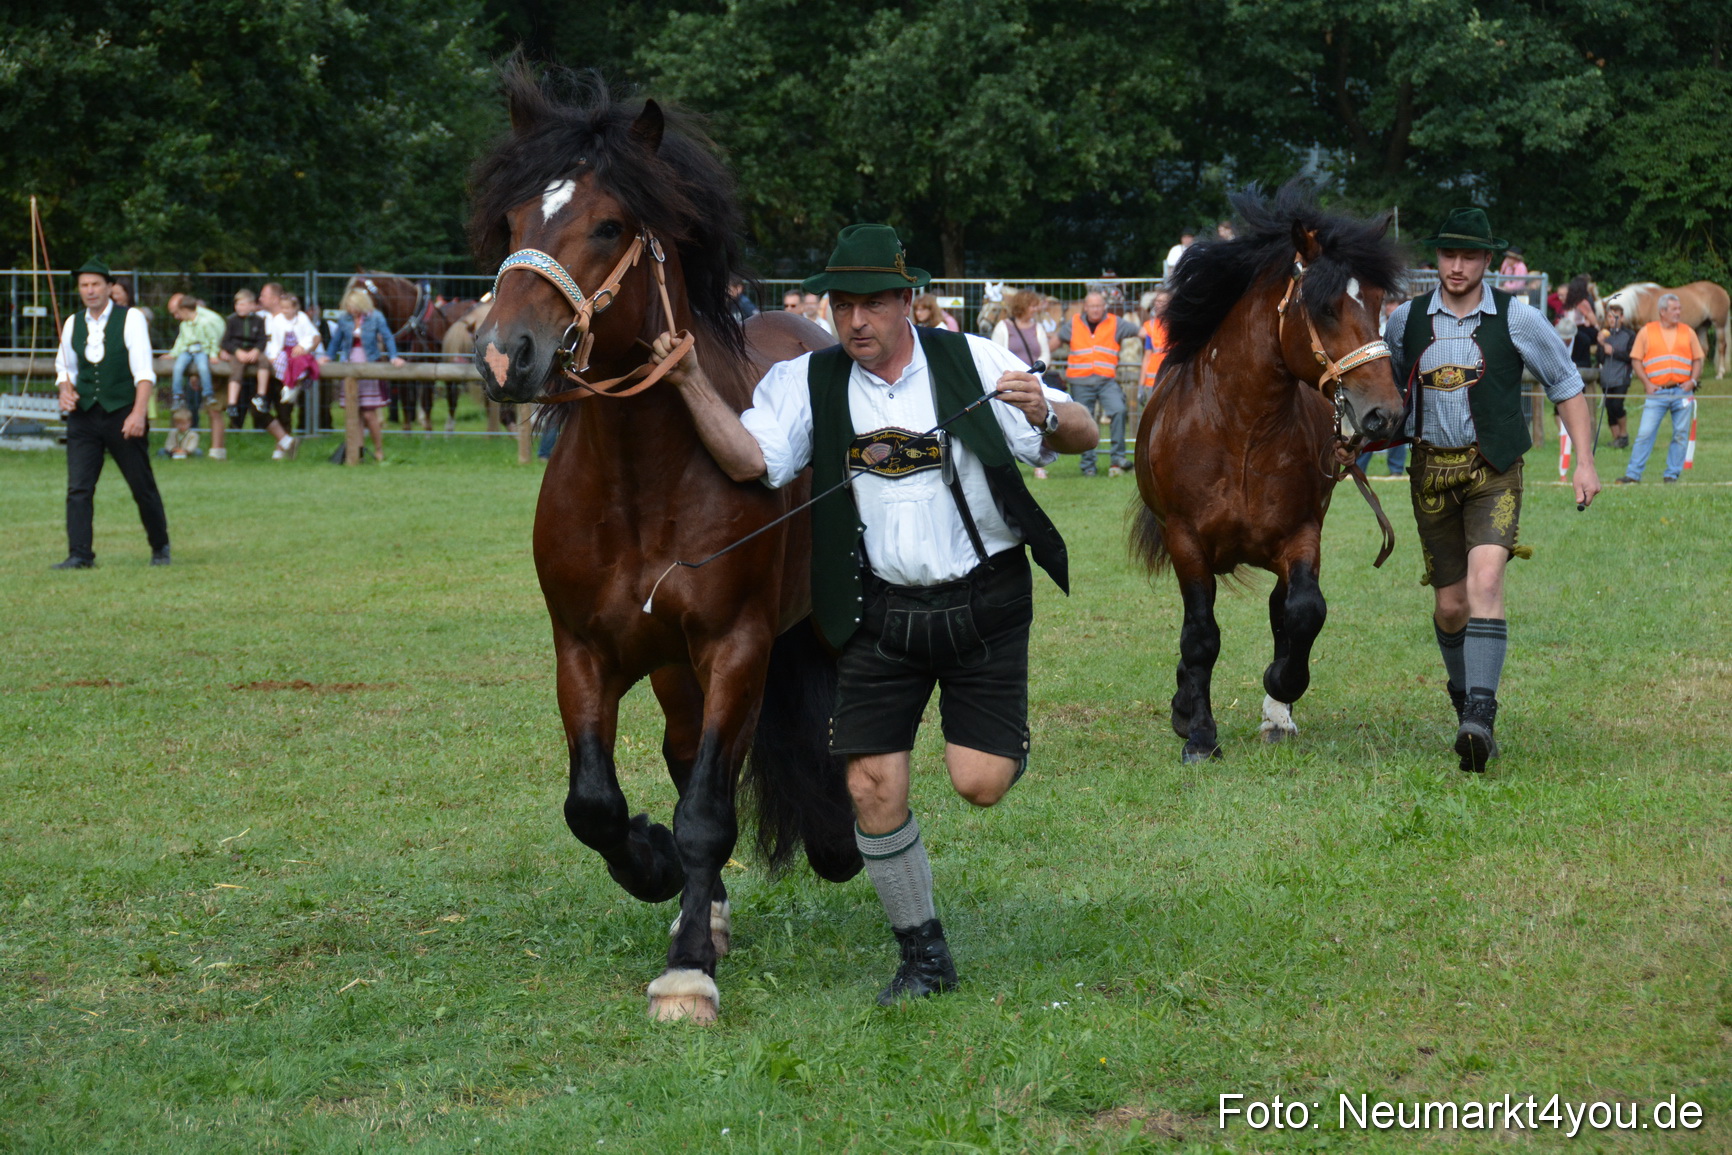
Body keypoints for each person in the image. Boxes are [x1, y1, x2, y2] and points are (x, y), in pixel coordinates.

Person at [649, 224, 1096, 1006]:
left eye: (873, 304)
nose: (855, 320)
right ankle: (923, 957)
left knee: (980, 782)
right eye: (843, 303)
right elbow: (752, 460)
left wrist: (1049, 412)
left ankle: (994, 743)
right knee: (869, 785)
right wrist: (689, 381)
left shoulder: (974, 361)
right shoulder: (807, 383)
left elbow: (1080, 432)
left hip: (984, 602)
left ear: (908, 302)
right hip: (880, 607)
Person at [1384, 209, 1599, 772]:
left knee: (1486, 579)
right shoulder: (1403, 321)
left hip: (1492, 471)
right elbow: (1379, 397)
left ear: (1488, 261)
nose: (1457, 267)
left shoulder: (1518, 318)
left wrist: (1585, 462)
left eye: (1470, 257)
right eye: (1449, 256)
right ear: (1437, 260)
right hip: (1429, 474)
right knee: (1451, 605)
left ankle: (1481, 715)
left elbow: (1568, 386)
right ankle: (1464, 703)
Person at [51, 258, 171, 569]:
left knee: (140, 484)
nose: (90, 291)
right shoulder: (72, 323)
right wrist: (65, 390)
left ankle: (160, 547)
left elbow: (144, 371)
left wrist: (138, 413)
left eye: (95, 284)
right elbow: (64, 368)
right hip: (84, 416)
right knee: (79, 487)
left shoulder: (130, 319)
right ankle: (80, 554)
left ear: (109, 287)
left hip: (122, 412)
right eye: (84, 286)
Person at [1616, 292, 1703, 485]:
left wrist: (1693, 381)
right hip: (1657, 392)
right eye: (1674, 309)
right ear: (1662, 311)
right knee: (1645, 433)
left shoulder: (1688, 331)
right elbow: (1636, 360)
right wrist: (1647, 384)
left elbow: (1698, 359)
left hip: (1682, 391)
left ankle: (1672, 475)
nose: (1678, 312)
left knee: (1680, 434)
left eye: (1679, 309)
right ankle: (1633, 475)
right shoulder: (1647, 331)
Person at [319, 287, 405, 462]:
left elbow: (387, 337)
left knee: (369, 413)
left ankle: (379, 449)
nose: (351, 310)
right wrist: (328, 356)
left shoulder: (375, 317)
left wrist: (394, 356)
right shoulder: (344, 319)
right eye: (349, 306)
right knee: (354, 412)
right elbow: (336, 341)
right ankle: (356, 450)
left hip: (369, 364)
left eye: (354, 306)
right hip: (350, 363)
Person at [1057, 290, 1137, 476]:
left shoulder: (1115, 323)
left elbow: (1141, 331)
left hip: (1106, 380)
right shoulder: (1074, 323)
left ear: (1104, 307)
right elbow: (1056, 340)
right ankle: (1088, 466)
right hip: (1080, 381)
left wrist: (1156, 334)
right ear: (1085, 307)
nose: (1095, 309)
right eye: (1092, 306)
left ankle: (1117, 459)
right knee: (1085, 422)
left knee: (1118, 410)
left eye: (1099, 305)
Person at [992, 289, 1057, 479]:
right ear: (1022, 306)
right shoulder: (1003, 327)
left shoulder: (1038, 328)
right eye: (1032, 305)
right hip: (1009, 383)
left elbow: (1045, 353)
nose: (1036, 309)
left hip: (1033, 383)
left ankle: (1037, 464)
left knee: (1034, 422)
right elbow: (997, 354)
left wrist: (1036, 374)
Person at [255, 293, 316, 459]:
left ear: (295, 308)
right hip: (281, 353)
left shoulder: (302, 318)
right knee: (281, 364)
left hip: (297, 351)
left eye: (287, 308)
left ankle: (292, 384)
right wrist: (273, 354)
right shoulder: (275, 320)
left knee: (299, 365)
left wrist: (303, 346)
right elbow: (275, 341)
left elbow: (311, 336)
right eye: (283, 308)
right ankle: (286, 441)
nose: (284, 311)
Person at [216, 288, 268, 459]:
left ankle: (261, 395)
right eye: (237, 304)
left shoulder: (259, 321)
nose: (239, 307)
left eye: (243, 304)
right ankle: (232, 404)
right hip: (237, 352)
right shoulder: (231, 321)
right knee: (236, 370)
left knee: (263, 361)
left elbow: (262, 339)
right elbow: (226, 341)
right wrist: (236, 351)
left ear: (252, 306)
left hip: (252, 351)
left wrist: (256, 350)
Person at [166, 293, 224, 426]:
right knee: (179, 368)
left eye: (176, 312)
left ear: (184, 309)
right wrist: (173, 354)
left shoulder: (205, 321)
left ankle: (208, 396)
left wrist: (214, 353)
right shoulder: (185, 324)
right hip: (190, 352)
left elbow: (213, 338)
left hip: (205, 351)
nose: (176, 317)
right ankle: (178, 397)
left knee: (202, 372)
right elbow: (181, 340)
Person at [1595, 302, 1634, 448]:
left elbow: (1631, 356)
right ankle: (1617, 439)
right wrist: (1600, 344)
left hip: (1621, 377)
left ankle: (1623, 435)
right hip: (1606, 378)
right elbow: (1600, 358)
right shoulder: (1604, 334)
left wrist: (1614, 352)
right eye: (1610, 317)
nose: (1612, 320)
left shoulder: (1629, 335)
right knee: (1609, 407)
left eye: (1615, 317)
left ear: (1622, 318)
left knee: (1617, 405)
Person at [1136, 288, 1171, 407]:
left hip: (1172, 379)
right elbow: (1146, 358)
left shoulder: (1177, 327)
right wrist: (1141, 386)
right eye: (1157, 301)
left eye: (1162, 302)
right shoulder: (1150, 326)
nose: (1158, 305)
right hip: (1153, 381)